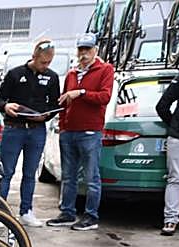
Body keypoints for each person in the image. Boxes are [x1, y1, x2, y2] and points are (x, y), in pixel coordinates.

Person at [47, 33, 115, 231]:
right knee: (68, 176)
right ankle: (67, 212)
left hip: (89, 131)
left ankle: (91, 216)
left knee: (91, 177)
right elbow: (64, 101)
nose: (84, 53)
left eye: (88, 49)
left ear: (95, 50)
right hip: (69, 131)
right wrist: (63, 124)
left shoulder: (105, 70)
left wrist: (82, 93)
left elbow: (104, 97)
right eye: (81, 50)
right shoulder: (71, 74)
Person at [0, 39, 61, 227]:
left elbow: (55, 105)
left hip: (37, 130)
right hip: (14, 129)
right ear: (34, 56)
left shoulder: (52, 77)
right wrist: (6, 106)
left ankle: (26, 211)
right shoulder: (15, 74)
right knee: (6, 172)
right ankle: (1, 213)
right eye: (42, 62)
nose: (45, 66)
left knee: (30, 173)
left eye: (49, 63)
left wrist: (45, 116)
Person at [155, 65, 179, 235]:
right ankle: (170, 219)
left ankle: (175, 221)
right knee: (176, 179)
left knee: (175, 179)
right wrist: (175, 124)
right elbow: (162, 105)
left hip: (178, 135)